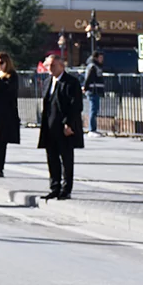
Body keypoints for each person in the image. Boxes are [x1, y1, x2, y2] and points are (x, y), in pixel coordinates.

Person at [40, 55, 84, 200]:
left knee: (66, 159)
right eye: (48, 66)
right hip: (49, 127)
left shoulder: (71, 82)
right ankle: (54, 187)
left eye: (53, 65)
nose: (49, 69)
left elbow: (76, 105)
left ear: (61, 66)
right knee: (52, 158)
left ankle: (66, 189)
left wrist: (69, 124)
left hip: (64, 128)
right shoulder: (47, 82)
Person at [83, 51, 105, 137]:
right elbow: (88, 78)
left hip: (96, 90)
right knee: (93, 109)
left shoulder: (96, 66)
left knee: (95, 109)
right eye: (100, 57)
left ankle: (93, 129)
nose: (102, 59)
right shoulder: (93, 67)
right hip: (93, 90)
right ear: (96, 58)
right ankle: (91, 129)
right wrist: (86, 88)